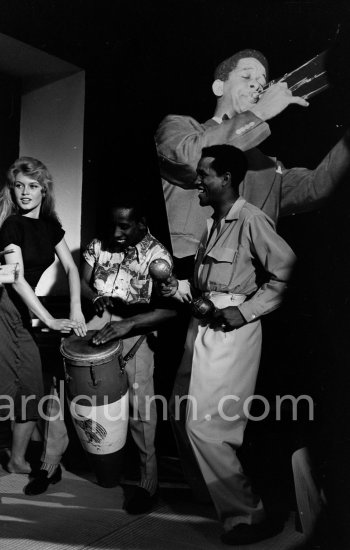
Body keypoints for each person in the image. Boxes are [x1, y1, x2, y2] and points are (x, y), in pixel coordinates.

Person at [171, 144, 296, 545]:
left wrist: (246, 312)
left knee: (208, 426)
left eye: (204, 174)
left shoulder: (251, 219)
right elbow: (207, 284)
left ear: (225, 178)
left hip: (231, 329)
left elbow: (287, 271)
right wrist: (176, 286)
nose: (197, 182)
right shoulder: (212, 224)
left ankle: (250, 514)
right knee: (181, 412)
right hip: (202, 324)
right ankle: (216, 499)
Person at [25, 196, 177, 515]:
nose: (117, 233)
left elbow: (168, 311)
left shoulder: (157, 254)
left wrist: (128, 326)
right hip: (100, 318)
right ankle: (50, 463)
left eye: (125, 226)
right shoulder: (99, 245)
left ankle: (149, 481)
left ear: (141, 223)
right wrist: (93, 297)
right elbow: (81, 280)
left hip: (136, 325)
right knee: (61, 387)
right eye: (114, 225)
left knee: (140, 405)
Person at [155, 48, 350, 282]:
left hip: (233, 292)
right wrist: (258, 113)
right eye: (246, 77)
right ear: (219, 87)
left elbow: (318, 186)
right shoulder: (180, 128)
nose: (257, 86)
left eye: (262, 83)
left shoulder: (268, 169)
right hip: (175, 278)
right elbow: (188, 160)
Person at [0, 156, 86, 504]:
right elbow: (17, 279)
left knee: (33, 386)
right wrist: (49, 320)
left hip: (21, 313)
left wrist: (77, 307)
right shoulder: (11, 227)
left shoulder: (50, 226)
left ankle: (18, 459)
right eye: (19, 185)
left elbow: (71, 268)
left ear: (43, 189)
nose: (25, 192)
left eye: (32, 186)